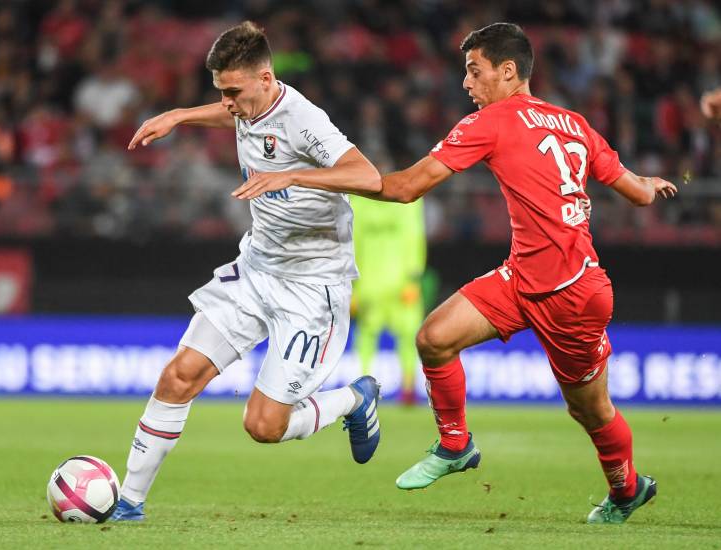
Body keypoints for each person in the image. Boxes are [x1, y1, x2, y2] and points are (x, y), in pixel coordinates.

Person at [367, 23, 677, 524]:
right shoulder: (574, 122)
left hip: (572, 293)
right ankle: (455, 444)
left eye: (474, 70)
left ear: (508, 72)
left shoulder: (491, 121)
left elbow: (405, 189)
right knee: (434, 338)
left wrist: (334, 179)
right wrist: (651, 183)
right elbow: (638, 193)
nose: (466, 83)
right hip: (523, 276)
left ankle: (627, 490)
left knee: (591, 411)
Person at [111, 21, 383, 522]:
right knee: (178, 376)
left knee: (263, 425)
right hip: (257, 267)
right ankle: (128, 502)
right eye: (221, 92)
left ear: (266, 77)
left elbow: (367, 175)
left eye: (234, 91)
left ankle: (353, 399)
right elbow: (230, 115)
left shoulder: (304, 119)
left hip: (312, 284)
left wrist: (293, 173)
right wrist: (179, 116)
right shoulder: (246, 103)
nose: (230, 103)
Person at [351, 196, 432, 404]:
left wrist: (352, 285)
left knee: (367, 336)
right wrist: (414, 275)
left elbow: (352, 241)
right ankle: (408, 388)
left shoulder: (357, 202)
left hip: (369, 282)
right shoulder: (408, 202)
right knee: (408, 336)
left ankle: (363, 389)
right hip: (401, 282)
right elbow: (414, 237)